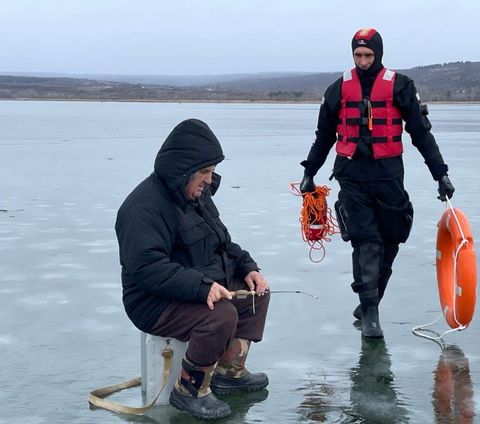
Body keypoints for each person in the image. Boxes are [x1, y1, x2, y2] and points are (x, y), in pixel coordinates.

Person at [299, 28, 455, 339]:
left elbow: (421, 135)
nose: (363, 61)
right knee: (366, 242)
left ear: (379, 54)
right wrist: (309, 171)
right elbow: (324, 136)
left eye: (368, 55)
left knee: (391, 240)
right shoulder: (338, 90)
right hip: (352, 176)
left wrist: (441, 174)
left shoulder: (400, 86)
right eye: (358, 55)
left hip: (388, 176)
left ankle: (370, 300)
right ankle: (370, 311)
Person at [115, 118, 270, 420]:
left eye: (211, 172)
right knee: (221, 315)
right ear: (184, 170)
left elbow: (223, 242)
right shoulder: (142, 209)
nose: (210, 180)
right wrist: (201, 288)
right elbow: (147, 268)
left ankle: (229, 370)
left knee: (256, 294)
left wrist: (248, 268)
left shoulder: (196, 196)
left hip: (194, 285)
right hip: (151, 301)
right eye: (206, 172)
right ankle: (189, 389)